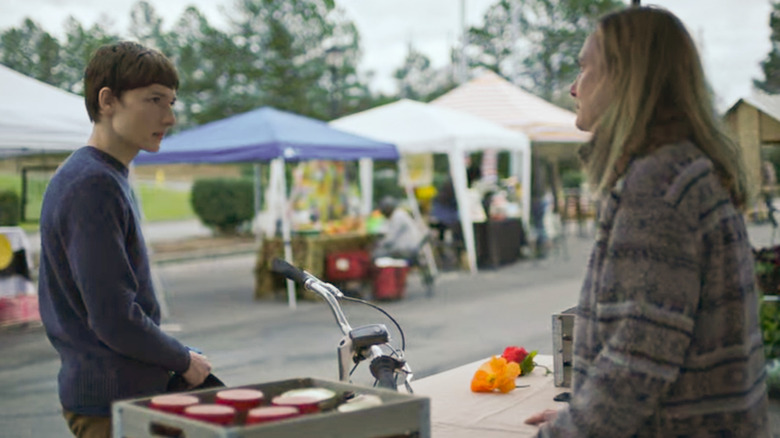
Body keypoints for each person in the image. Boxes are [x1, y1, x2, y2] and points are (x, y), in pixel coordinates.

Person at [525, 6, 769, 437]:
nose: (572, 87)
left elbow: (637, 362)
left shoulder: (658, 185)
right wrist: (580, 414)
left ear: (625, 78)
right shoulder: (681, 169)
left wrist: (565, 433)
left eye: (585, 69)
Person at [37, 41, 212, 438]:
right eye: (154, 100)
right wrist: (183, 359)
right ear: (108, 100)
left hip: (122, 393)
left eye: (171, 102)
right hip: (112, 403)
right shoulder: (92, 183)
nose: (168, 117)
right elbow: (113, 317)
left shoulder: (102, 175)